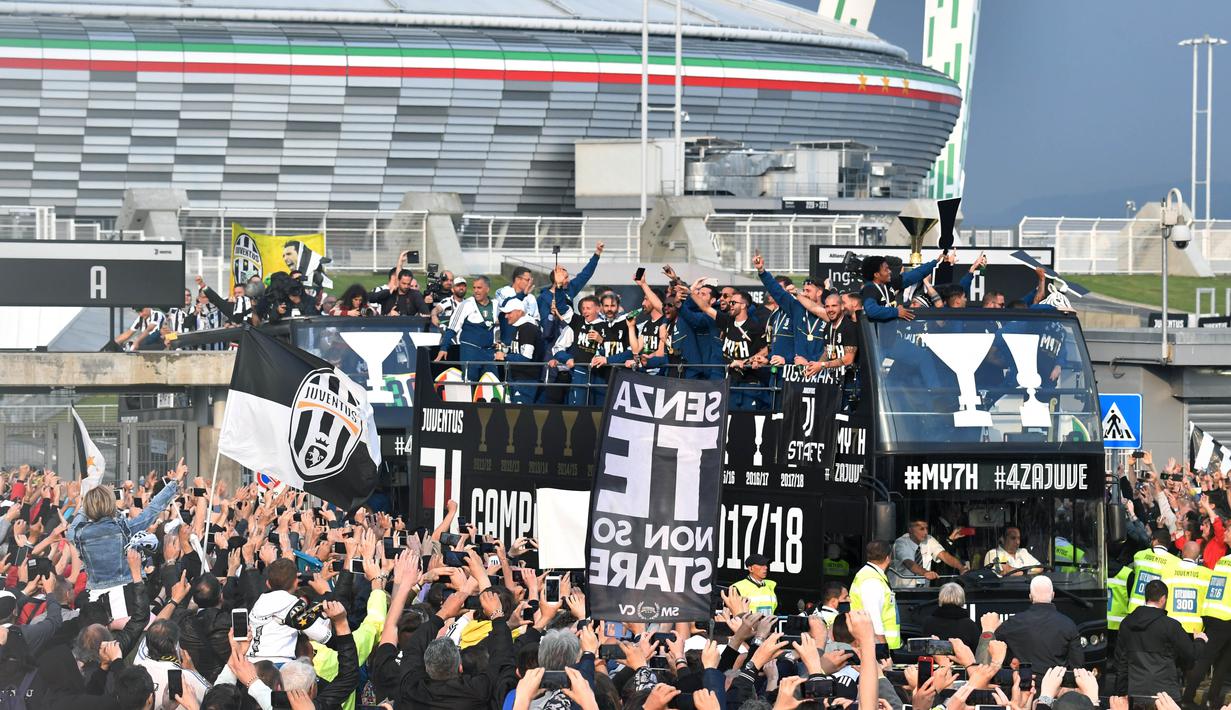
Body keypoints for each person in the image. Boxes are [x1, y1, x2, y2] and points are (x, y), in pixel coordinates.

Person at [67, 459, 184, 590]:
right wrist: (175, 481)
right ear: (110, 504)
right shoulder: (122, 528)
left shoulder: (78, 533)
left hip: (95, 595)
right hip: (125, 592)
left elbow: (71, 529)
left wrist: (87, 502)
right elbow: (152, 509)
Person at [1114, 579, 1207, 699]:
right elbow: (1191, 654)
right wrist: (1200, 640)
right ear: (1163, 599)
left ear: (1146, 597)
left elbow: (1120, 661)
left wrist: (1121, 693)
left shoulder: (1126, 623)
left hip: (1134, 692)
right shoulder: (1170, 625)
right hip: (1165, 695)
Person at [246, 558, 333, 664]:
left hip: (251, 664)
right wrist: (326, 592)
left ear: (268, 583)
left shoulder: (260, 602)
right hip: (278, 666)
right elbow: (323, 635)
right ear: (296, 582)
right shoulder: (290, 603)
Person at [994, 575, 1083, 670]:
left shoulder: (1012, 623)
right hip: (1056, 682)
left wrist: (1010, 659)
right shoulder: (1068, 625)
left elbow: (993, 642)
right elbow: (1077, 666)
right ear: (1053, 595)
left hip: (1024, 682)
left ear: (1030, 596)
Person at [436, 276, 499, 385]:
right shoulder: (466, 304)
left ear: (487, 289)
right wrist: (444, 347)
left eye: (479, 288)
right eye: (474, 287)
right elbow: (452, 328)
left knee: (493, 384)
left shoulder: (495, 304)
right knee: (469, 385)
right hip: (470, 352)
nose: (476, 291)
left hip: (488, 352)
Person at [860, 252, 951, 322]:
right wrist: (896, 312)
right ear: (876, 274)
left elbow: (915, 274)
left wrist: (936, 262)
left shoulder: (890, 283)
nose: (890, 271)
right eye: (886, 269)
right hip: (877, 341)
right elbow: (871, 310)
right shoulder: (869, 289)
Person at [849, 539, 901, 649]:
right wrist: (883, 651)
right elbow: (874, 620)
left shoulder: (870, 575)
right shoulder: (872, 580)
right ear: (888, 557)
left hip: (871, 645)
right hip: (876, 648)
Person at [891, 517, 968, 589]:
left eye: (927, 528)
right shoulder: (900, 543)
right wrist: (926, 573)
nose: (926, 532)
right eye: (922, 529)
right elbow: (909, 563)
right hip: (902, 592)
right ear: (910, 530)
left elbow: (944, 555)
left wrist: (961, 567)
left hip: (925, 591)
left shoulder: (929, 539)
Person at [498, 296, 542, 404]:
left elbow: (526, 357)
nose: (506, 316)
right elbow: (519, 351)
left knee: (521, 415)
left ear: (519, 312)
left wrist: (504, 356)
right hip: (519, 378)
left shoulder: (528, 328)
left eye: (509, 312)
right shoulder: (520, 327)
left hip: (526, 380)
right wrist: (505, 350)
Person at [1128, 527, 1181, 613]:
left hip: (1135, 609)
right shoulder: (1176, 562)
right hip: (1158, 611)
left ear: (1155, 540)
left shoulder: (1139, 555)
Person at [920, 582, 981, 650]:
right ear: (962, 598)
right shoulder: (969, 624)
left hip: (936, 659)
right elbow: (977, 649)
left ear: (940, 597)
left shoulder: (928, 622)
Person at [371, 251, 429, 316]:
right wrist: (389, 315)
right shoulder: (389, 294)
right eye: (404, 283)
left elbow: (425, 313)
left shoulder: (415, 295)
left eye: (408, 284)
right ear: (398, 281)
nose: (406, 286)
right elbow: (369, 298)